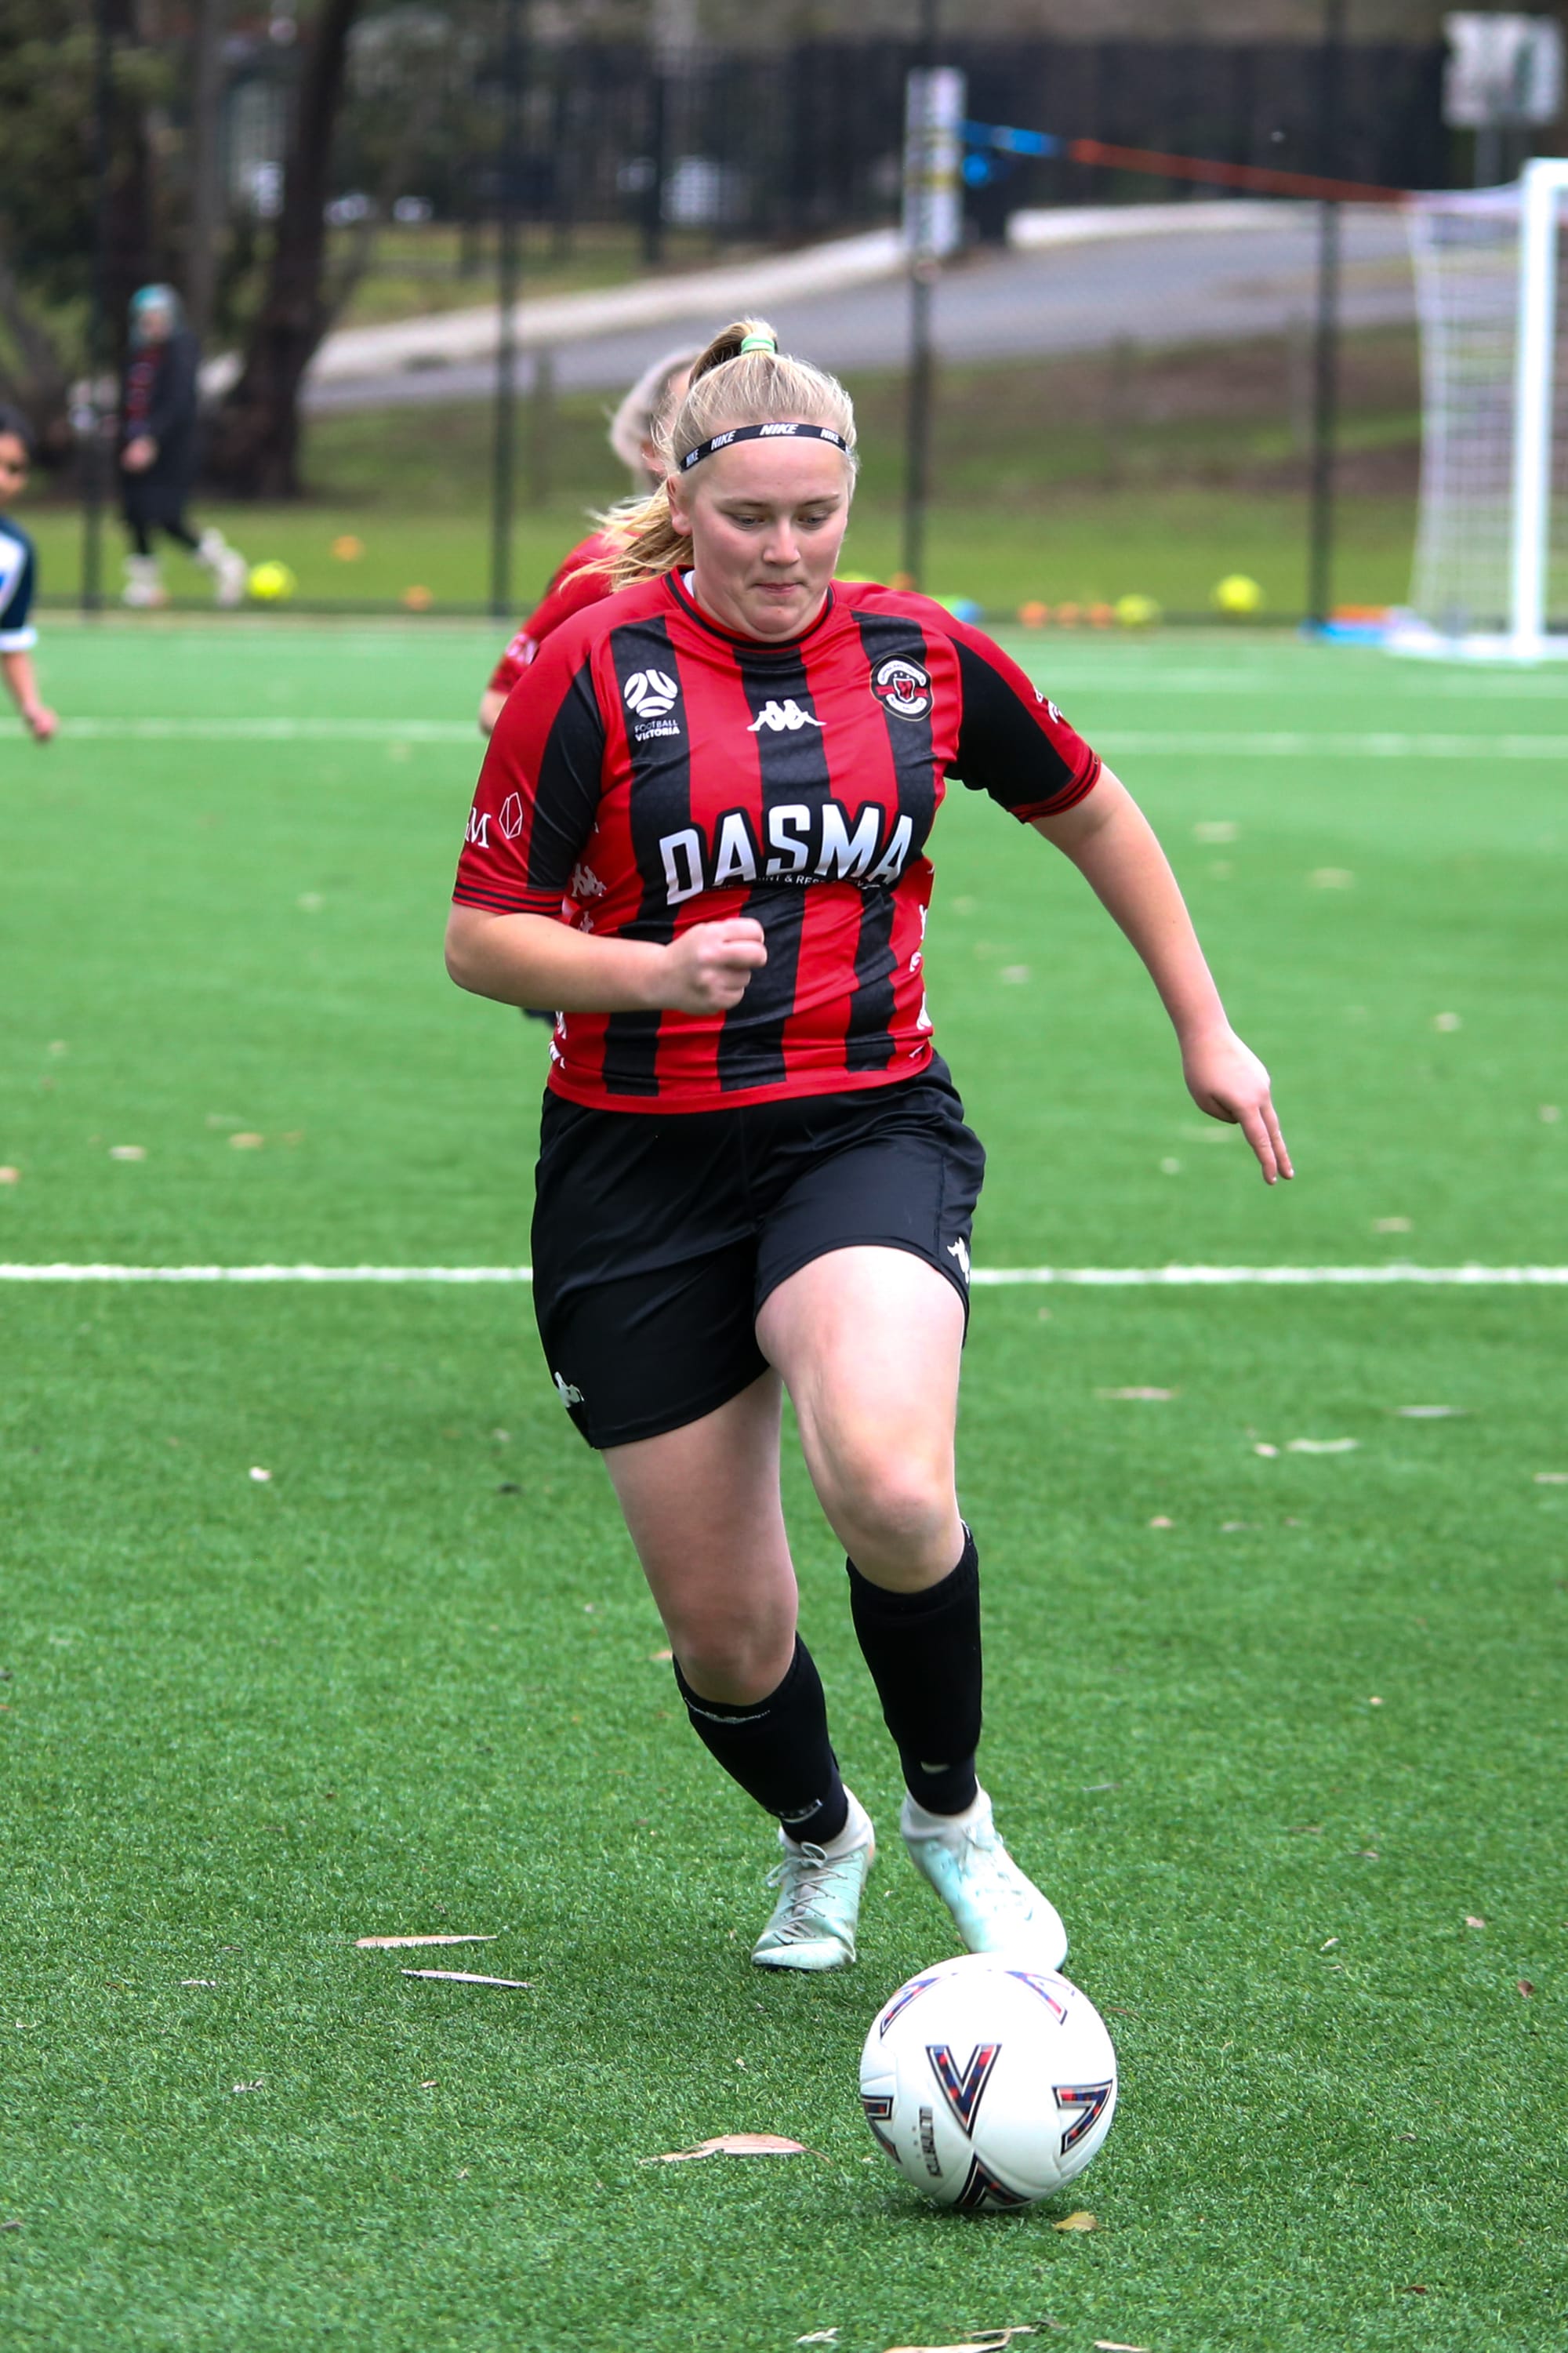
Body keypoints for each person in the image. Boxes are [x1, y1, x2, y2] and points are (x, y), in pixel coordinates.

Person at [446, 319, 1292, 1975]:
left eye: (813, 518)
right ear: (679, 500)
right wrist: (649, 971)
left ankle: (950, 1822)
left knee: (892, 1484)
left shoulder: (921, 658)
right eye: (750, 517)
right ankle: (817, 1831)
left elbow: (1093, 808)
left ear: (849, 505)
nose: (784, 549)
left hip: (862, 1127)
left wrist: (1205, 1023)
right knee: (728, 1633)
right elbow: (483, 939)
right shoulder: (590, 666)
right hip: (634, 1165)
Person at [475, 345, 695, 737]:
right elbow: (501, 704)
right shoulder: (610, 563)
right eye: (698, 413)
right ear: (654, 452)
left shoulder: (786, 559)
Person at [118, 285, 247, 609]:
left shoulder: (182, 349)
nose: (154, 324)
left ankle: (223, 565)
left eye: (159, 317)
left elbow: (178, 404)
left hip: (172, 449)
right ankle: (145, 583)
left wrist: (150, 439)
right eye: (148, 318)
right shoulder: (135, 353)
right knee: (135, 513)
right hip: (133, 447)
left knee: (167, 516)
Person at [0, 408, 57, 743]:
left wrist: (32, 707)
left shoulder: (17, 550)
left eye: (14, 468)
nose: (3, 479)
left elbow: (10, 641)